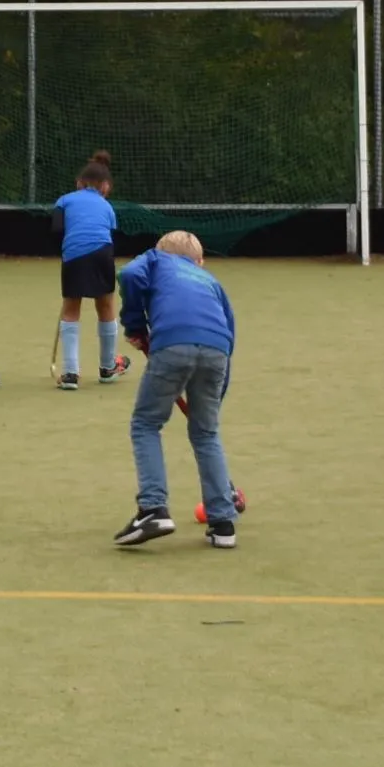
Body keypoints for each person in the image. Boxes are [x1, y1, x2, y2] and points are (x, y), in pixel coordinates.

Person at [114, 229, 237, 548]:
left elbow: (128, 274)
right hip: (217, 350)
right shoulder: (211, 281)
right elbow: (229, 333)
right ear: (200, 261)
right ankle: (223, 524)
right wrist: (214, 401)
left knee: (145, 424)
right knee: (206, 432)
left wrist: (135, 326)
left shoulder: (156, 259)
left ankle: (153, 508)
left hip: (172, 343)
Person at [51, 152, 125, 390]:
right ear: (105, 187)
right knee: (105, 306)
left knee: (71, 308)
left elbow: (57, 229)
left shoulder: (64, 201)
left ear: (78, 183)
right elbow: (110, 234)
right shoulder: (107, 206)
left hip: (74, 255)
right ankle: (107, 368)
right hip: (103, 254)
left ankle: (70, 374)